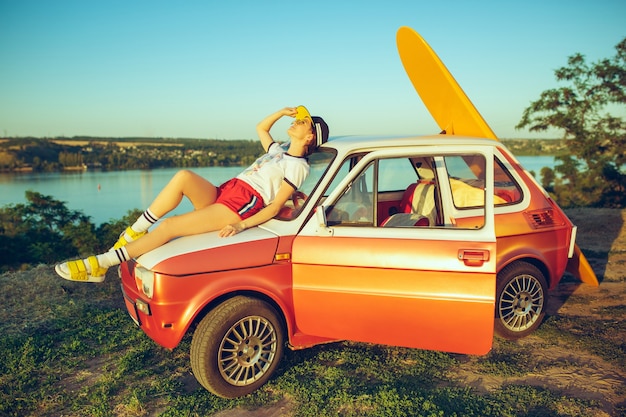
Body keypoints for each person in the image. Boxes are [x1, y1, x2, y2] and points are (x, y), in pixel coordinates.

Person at [55, 106, 328, 283]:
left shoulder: (298, 167)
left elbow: (274, 206)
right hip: (227, 191)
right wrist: (280, 112)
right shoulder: (278, 150)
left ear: (310, 138)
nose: (296, 121)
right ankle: (135, 231)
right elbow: (261, 128)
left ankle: (102, 263)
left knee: (171, 226)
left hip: (240, 206)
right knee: (183, 177)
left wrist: (240, 224)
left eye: (302, 122)